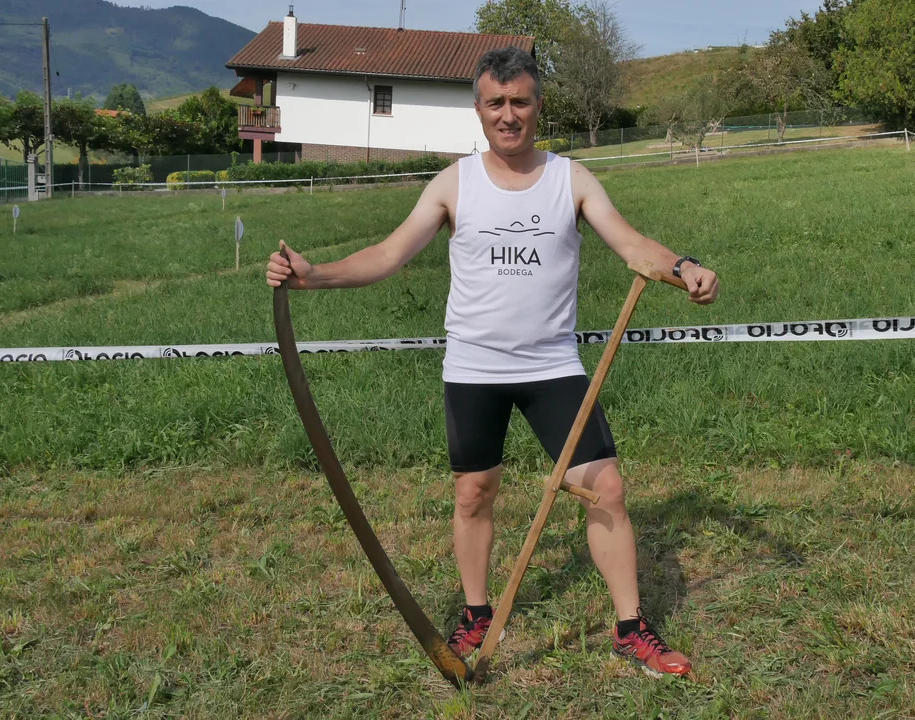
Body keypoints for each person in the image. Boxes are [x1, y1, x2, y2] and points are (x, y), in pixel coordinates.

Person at [266, 46, 719, 678]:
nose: (509, 115)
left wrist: (683, 267)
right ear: (478, 109)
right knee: (474, 492)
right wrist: (314, 275)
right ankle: (477, 614)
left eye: (521, 102)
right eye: (496, 103)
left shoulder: (571, 179)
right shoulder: (455, 183)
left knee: (606, 487)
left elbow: (631, 243)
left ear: (538, 107)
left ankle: (629, 629)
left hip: (552, 368)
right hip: (474, 369)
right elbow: (389, 254)